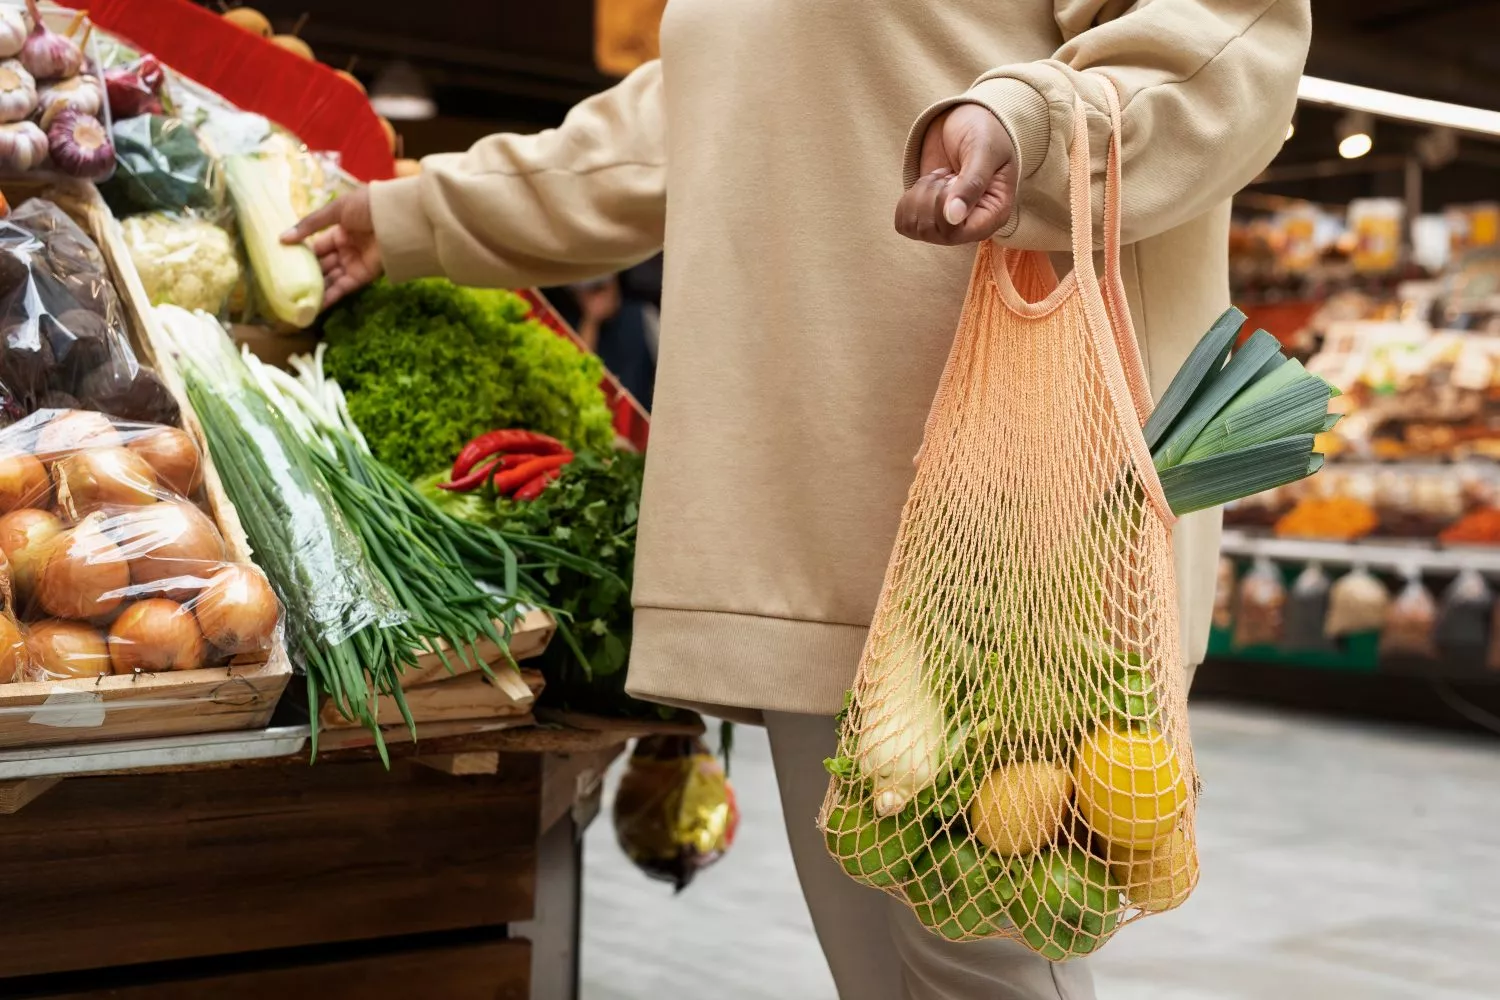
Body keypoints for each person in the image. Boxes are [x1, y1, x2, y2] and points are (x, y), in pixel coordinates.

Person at [284, 1, 1311, 994]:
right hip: (805, 513)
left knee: (985, 964)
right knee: (885, 971)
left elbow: (1234, 34)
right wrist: (409, 216)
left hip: (1017, 515)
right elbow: (687, 111)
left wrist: (1029, 123)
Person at [546, 274, 659, 410]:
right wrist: (591, 322)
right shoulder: (567, 326)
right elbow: (575, 379)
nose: (599, 299)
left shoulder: (643, 314)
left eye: (601, 289)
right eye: (590, 292)